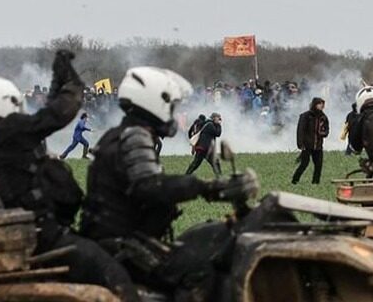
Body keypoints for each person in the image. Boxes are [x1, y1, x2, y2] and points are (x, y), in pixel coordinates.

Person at [0, 51, 136, 300]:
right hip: (45, 236)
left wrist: (57, 82)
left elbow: (43, 119)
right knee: (115, 275)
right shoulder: (9, 133)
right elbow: (57, 114)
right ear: (3, 102)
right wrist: (69, 80)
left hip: (17, 241)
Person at [80, 66, 251, 299]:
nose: (172, 113)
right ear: (154, 102)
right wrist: (206, 187)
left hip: (117, 237)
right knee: (199, 270)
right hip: (121, 242)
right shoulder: (135, 136)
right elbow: (150, 186)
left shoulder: (122, 133)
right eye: (171, 106)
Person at [291, 98, 329, 185]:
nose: (322, 106)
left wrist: (323, 133)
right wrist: (300, 144)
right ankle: (295, 180)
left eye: (323, 104)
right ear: (315, 104)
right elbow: (300, 130)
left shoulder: (323, 117)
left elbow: (327, 130)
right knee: (304, 164)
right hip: (307, 145)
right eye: (320, 103)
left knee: (318, 165)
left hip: (318, 145)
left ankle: (316, 182)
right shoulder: (306, 116)